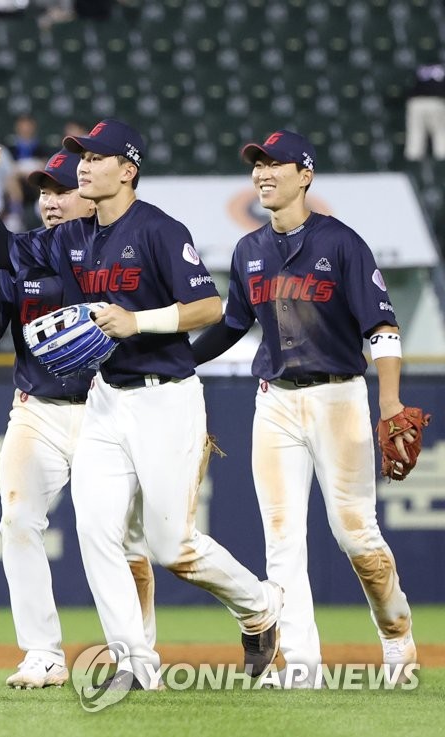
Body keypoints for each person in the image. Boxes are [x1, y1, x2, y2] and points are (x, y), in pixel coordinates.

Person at [0, 119, 284, 689]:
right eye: (80, 157)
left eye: (94, 157)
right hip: (108, 400)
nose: (82, 165)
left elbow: (209, 308)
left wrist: (140, 321)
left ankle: (260, 604)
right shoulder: (70, 238)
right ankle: (136, 663)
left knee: (171, 545)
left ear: (127, 170)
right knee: (95, 530)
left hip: (167, 400)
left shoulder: (159, 230)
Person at [0, 150, 156, 689]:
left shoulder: (120, 252)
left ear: (91, 191)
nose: (50, 199)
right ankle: (42, 653)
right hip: (39, 412)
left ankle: (138, 654)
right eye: (43, 190)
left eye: (63, 188)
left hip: (110, 410)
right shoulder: (21, 258)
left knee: (127, 540)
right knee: (18, 521)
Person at [191, 129, 417, 687]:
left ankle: (397, 638)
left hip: (339, 398)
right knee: (282, 536)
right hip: (275, 403)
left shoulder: (341, 243)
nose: (263, 174)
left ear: (305, 175)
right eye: (257, 166)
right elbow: (231, 326)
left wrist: (389, 403)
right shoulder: (248, 251)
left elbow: (383, 329)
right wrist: (177, 362)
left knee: (355, 535)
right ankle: (299, 663)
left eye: (275, 165)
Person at [403, 61, 445, 161]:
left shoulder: (418, 66)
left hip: (416, 102)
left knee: (415, 135)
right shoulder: (441, 67)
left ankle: (413, 163)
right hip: (436, 102)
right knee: (441, 134)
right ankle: (441, 164)